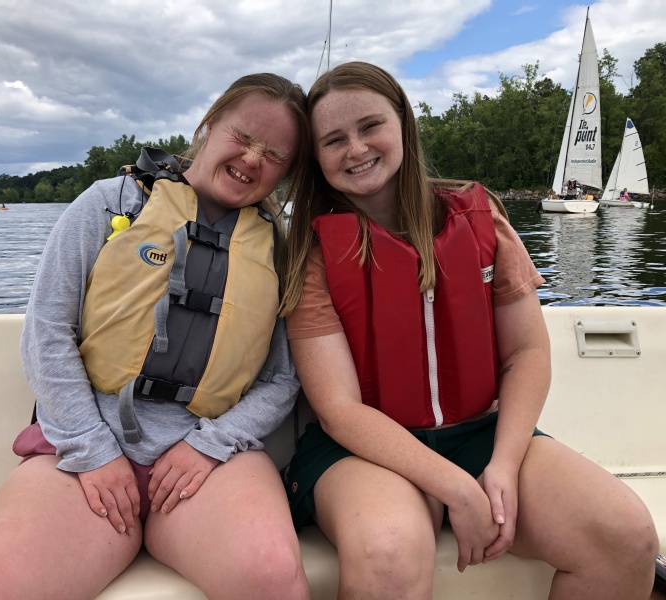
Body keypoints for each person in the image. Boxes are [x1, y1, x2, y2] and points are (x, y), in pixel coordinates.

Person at [280, 61, 658, 599]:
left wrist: (502, 465)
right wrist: (456, 486)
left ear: (403, 124)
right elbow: (339, 409)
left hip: (482, 433)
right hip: (361, 451)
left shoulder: (481, 220)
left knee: (625, 535)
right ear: (317, 157)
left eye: (370, 126)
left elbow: (527, 353)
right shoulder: (312, 253)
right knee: (388, 554)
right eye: (334, 139)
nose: (356, 148)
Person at [0, 73, 312, 600]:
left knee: (273, 579)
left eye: (275, 155)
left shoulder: (278, 247)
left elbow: (282, 378)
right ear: (210, 126)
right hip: (80, 451)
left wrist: (210, 445)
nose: (253, 159)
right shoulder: (110, 203)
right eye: (243, 136)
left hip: (209, 459)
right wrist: (92, 450)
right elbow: (47, 331)